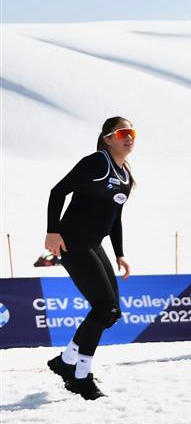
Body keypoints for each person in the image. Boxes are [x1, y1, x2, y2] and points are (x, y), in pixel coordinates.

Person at [43, 117, 136, 400]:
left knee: (112, 313)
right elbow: (58, 191)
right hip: (72, 242)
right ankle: (81, 377)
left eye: (132, 133)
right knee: (104, 308)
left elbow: (115, 218)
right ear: (108, 139)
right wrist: (52, 231)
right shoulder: (96, 162)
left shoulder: (125, 175)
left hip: (94, 244)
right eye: (122, 133)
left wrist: (119, 253)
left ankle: (66, 361)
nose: (128, 137)